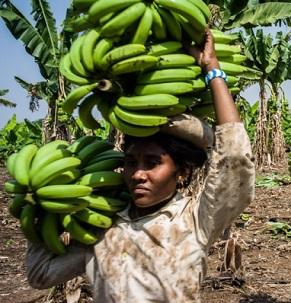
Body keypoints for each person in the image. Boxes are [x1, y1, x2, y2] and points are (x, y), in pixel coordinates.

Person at [25, 29, 255, 302]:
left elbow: (234, 158)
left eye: (152, 163)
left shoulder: (194, 221)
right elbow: (41, 275)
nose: (137, 174)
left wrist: (213, 71)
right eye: (131, 162)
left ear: (182, 172)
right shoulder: (103, 227)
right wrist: (40, 207)